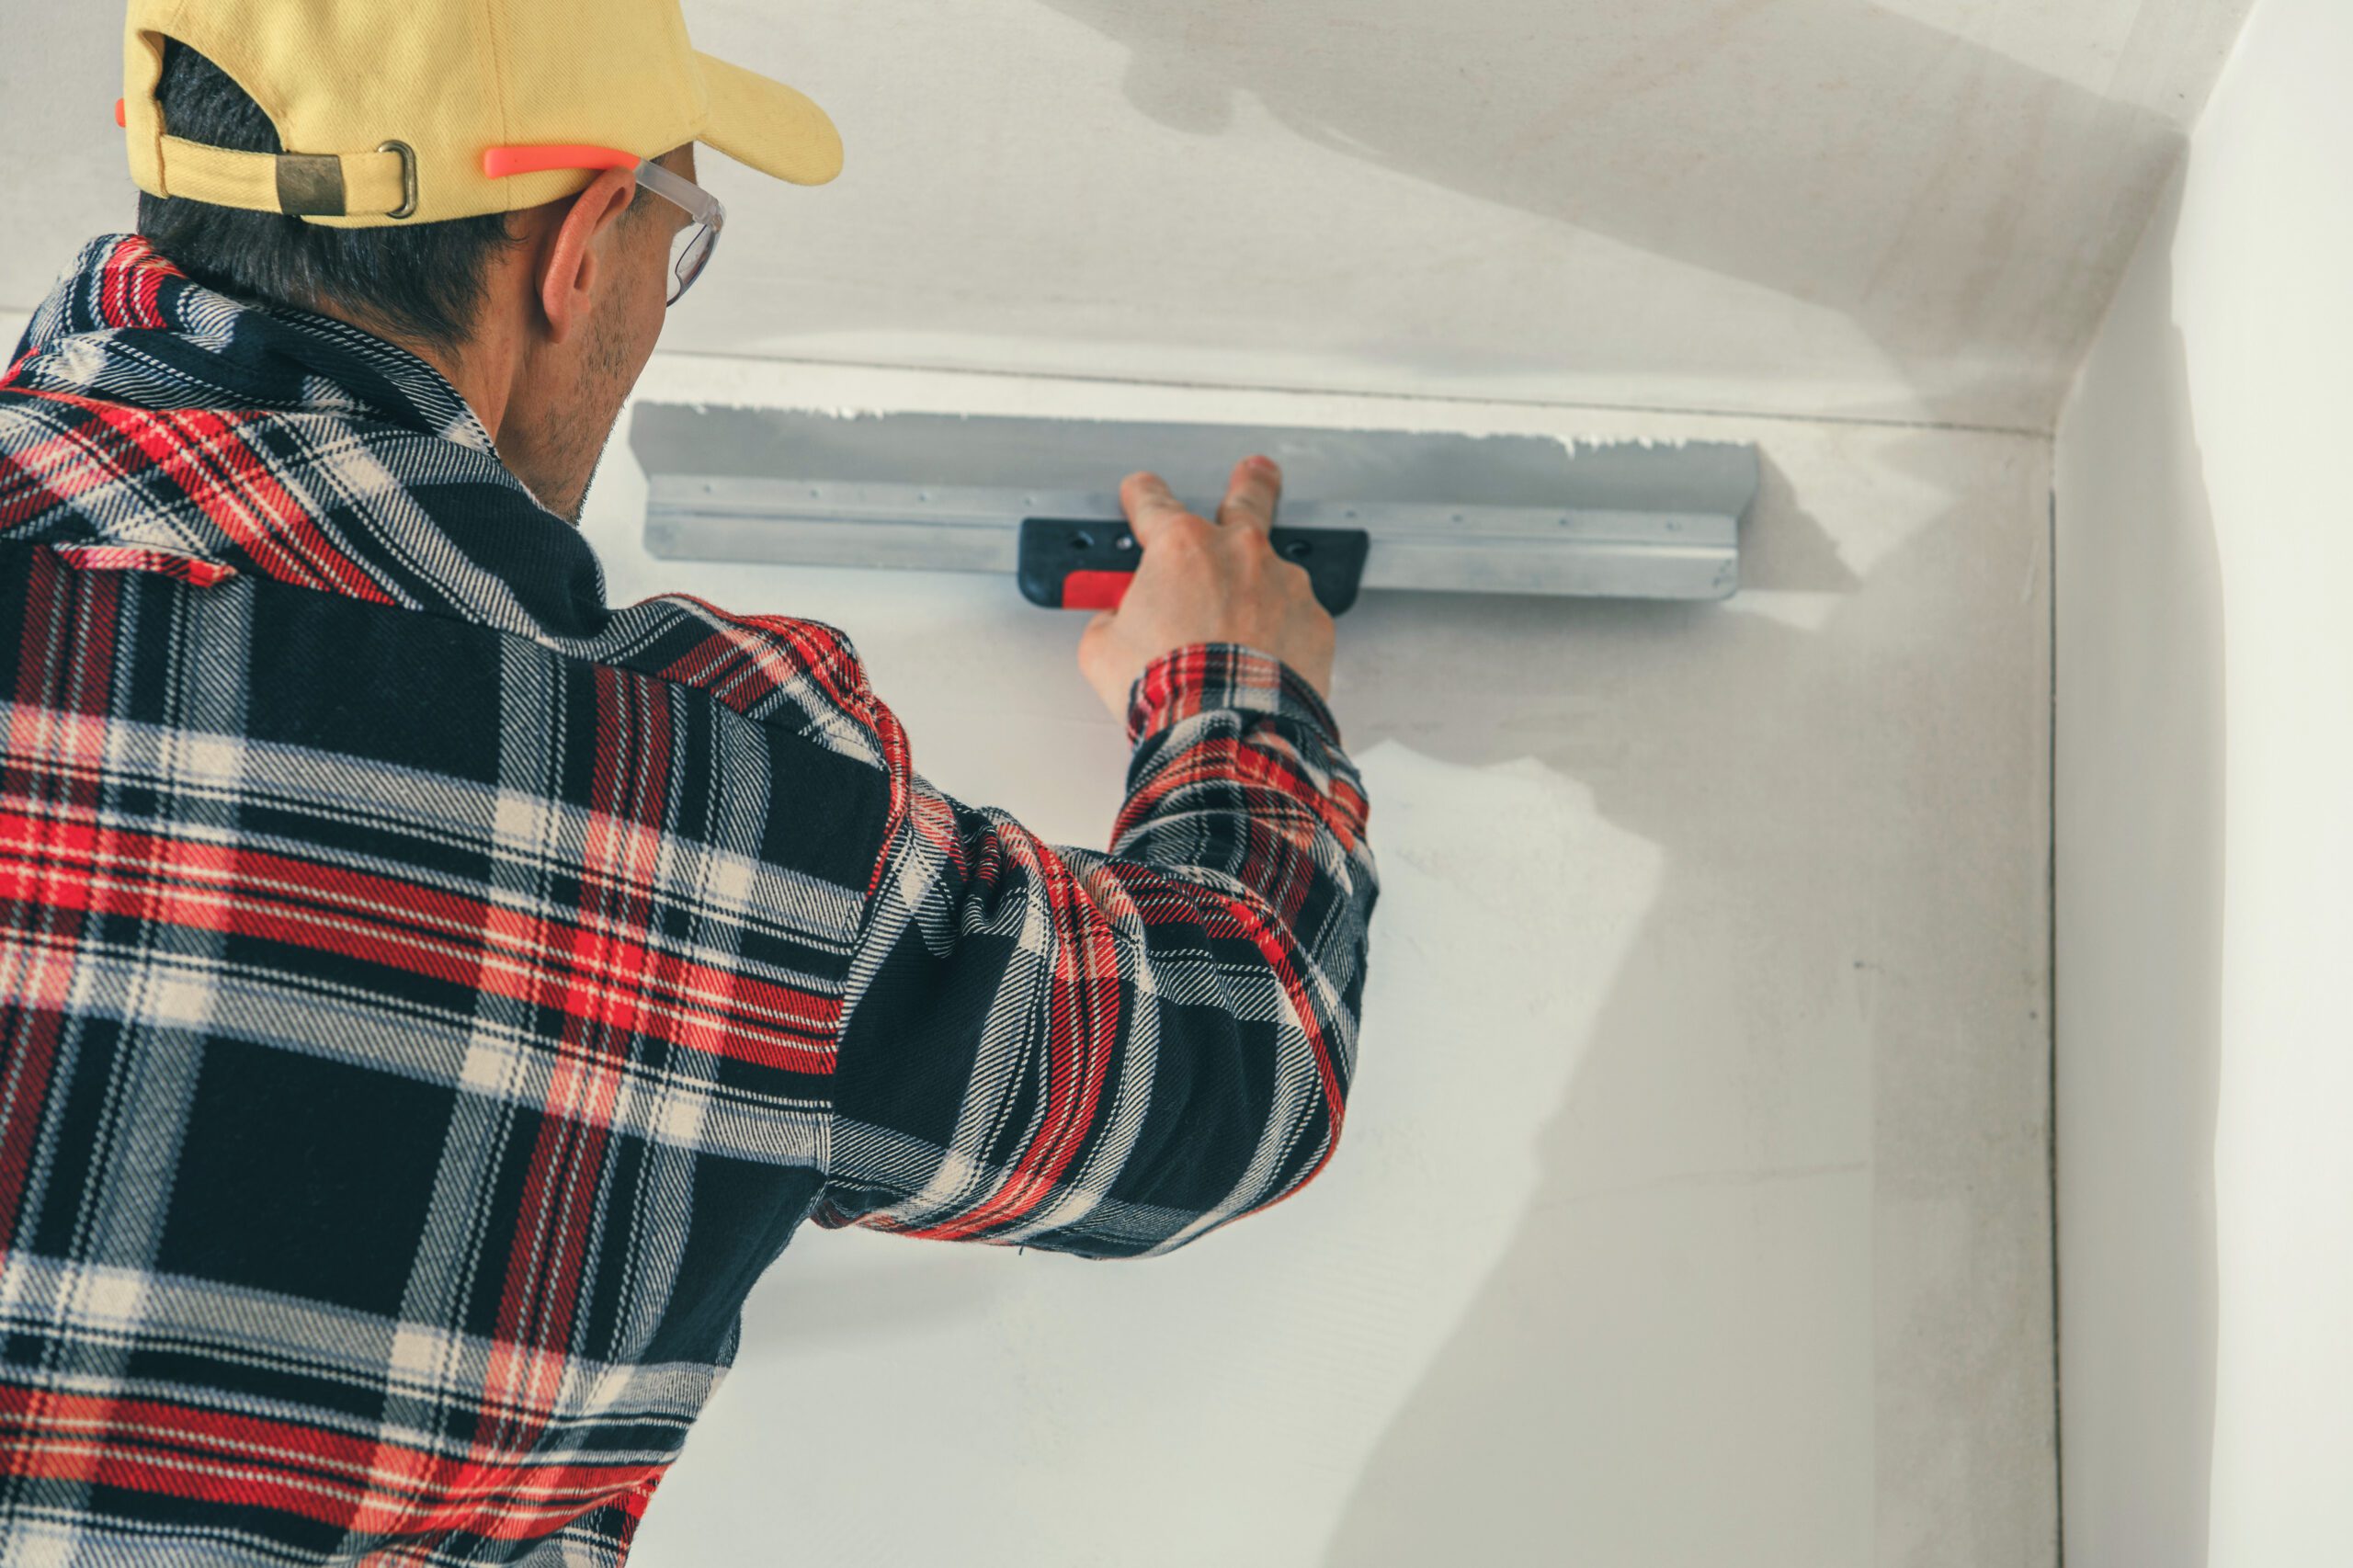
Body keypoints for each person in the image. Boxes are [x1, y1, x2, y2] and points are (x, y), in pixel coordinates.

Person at [0, 1, 1379, 1561]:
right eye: (676, 231)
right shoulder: (712, 815)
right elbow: (1234, 1068)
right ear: (579, 248)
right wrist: (1230, 688)